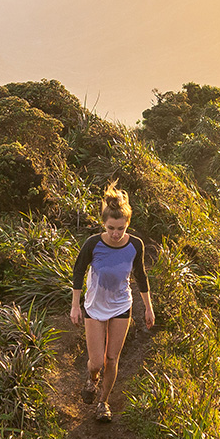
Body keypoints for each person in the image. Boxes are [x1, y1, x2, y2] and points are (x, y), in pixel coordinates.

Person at [69, 181, 154, 422]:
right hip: (94, 306)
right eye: (111, 228)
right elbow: (78, 272)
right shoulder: (93, 244)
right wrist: (75, 305)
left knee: (112, 358)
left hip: (121, 306)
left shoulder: (136, 245)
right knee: (96, 362)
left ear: (127, 224)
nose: (116, 234)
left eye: (120, 228)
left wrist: (148, 308)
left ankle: (103, 403)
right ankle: (92, 378)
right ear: (103, 224)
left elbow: (141, 276)